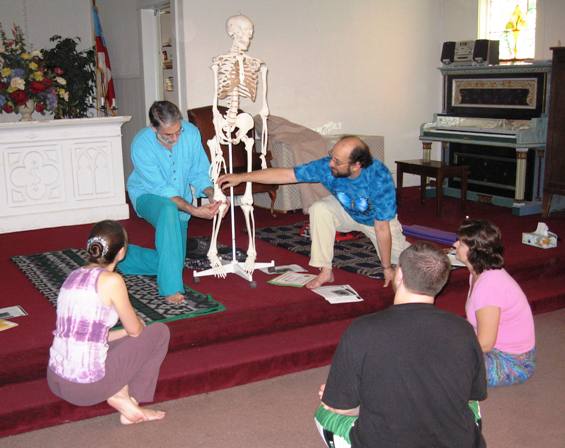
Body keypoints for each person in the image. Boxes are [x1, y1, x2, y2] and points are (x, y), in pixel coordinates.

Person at [315, 241, 487, 448]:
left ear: (399, 275)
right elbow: (472, 394)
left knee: (324, 410)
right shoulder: (464, 330)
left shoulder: (362, 330)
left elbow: (339, 406)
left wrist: (346, 400)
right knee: (471, 406)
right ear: (440, 283)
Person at [218, 135, 409, 288]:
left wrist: (387, 267)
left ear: (356, 165)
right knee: (320, 209)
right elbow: (286, 174)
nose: (331, 163)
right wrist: (242, 177)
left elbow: (382, 228)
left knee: (408, 262)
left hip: (377, 221)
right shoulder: (327, 166)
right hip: (347, 211)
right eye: (331, 156)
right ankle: (326, 271)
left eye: (337, 161)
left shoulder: (379, 178)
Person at [47, 220, 170, 424]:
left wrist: (122, 333)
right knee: (159, 332)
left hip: (55, 379)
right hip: (85, 389)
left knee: (122, 338)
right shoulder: (112, 281)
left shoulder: (73, 276)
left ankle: (120, 393)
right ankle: (130, 402)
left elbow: (84, 334)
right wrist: (136, 325)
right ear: (121, 252)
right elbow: (136, 331)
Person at [119, 101, 222, 304]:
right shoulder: (141, 144)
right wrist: (193, 210)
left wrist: (212, 194)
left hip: (180, 202)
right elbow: (162, 190)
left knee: (174, 258)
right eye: (167, 135)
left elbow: (199, 171)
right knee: (167, 208)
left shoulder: (191, 133)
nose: (175, 138)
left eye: (178, 132)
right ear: (153, 128)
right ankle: (170, 288)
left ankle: (119, 257)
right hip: (147, 196)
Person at [454, 219, 536, 387]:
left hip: (512, 362)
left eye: (461, 243)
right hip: (497, 350)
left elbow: (485, 343)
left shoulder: (489, 285)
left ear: (475, 252)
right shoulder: (478, 273)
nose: (455, 244)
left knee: (440, 362)